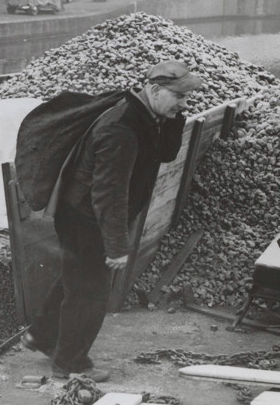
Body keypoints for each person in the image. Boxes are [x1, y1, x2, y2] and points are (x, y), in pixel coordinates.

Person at [20, 60, 201, 382]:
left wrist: (175, 114)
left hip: (84, 211)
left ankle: (42, 336)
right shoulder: (121, 128)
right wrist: (117, 245)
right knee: (90, 291)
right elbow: (109, 193)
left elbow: (166, 154)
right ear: (155, 89)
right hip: (87, 216)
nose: (185, 103)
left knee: (77, 277)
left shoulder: (146, 113)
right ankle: (70, 363)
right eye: (180, 97)